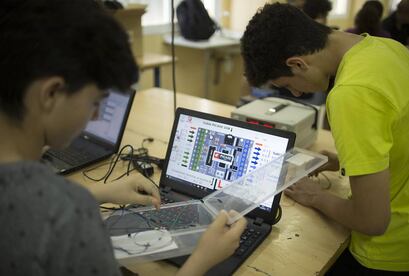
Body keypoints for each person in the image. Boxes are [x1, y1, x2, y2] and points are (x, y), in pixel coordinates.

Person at [0, 0, 247, 275]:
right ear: (51, 94)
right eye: (96, 102)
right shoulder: (67, 217)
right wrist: (202, 259)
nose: (94, 117)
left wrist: (97, 193)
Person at [241, 3, 409, 274]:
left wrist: (315, 196)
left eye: (287, 86)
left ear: (297, 63)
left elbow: (372, 220)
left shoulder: (350, 94)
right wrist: (339, 161)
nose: (296, 94)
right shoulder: (386, 48)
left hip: (390, 251)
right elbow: (396, 135)